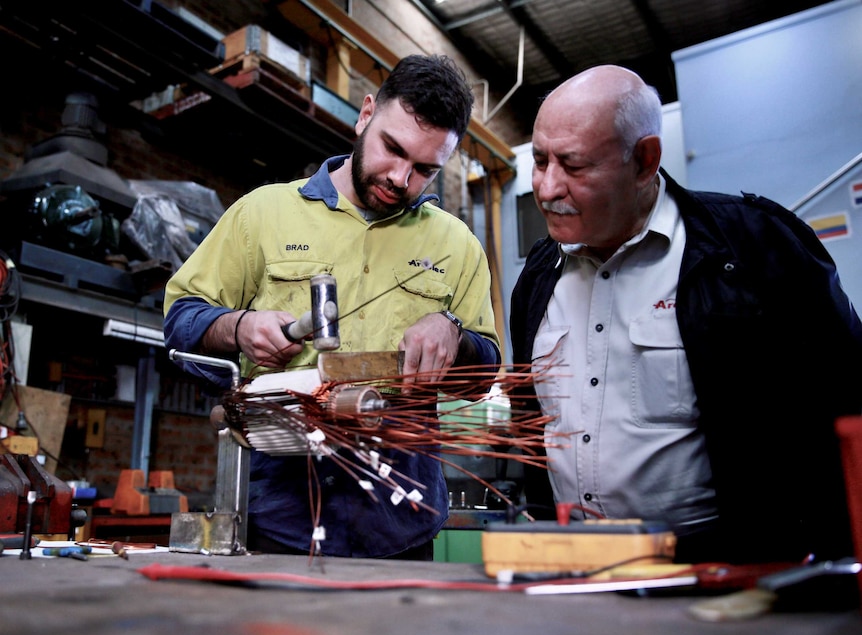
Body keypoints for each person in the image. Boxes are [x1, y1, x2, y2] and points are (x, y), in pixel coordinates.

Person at [511, 64, 862, 565]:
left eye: (573, 165)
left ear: (644, 160)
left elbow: (849, 398)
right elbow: (532, 423)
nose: (546, 188)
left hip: (729, 570)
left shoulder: (752, 248)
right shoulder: (539, 276)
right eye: (540, 160)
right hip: (577, 567)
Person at [163, 54, 501, 559]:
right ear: (366, 114)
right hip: (278, 519)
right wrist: (237, 327)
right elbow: (180, 321)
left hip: (400, 525)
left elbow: (485, 372)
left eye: (425, 169)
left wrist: (454, 333)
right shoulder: (263, 214)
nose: (401, 178)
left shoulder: (458, 246)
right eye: (393, 149)